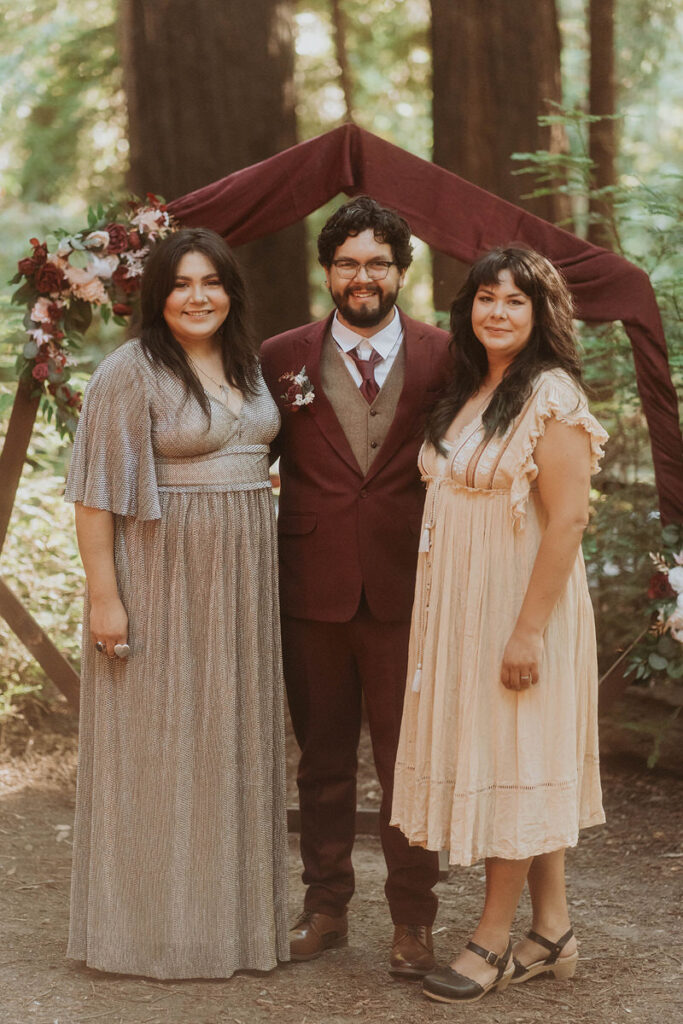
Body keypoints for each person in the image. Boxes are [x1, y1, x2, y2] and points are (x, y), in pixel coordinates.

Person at [65, 228, 289, 979]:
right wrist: (107, 600)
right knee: (159, 747)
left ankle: (228, 930)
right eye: (181, 284)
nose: (198, 297)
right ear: (157, 296)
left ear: (231, 291)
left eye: (212, 283)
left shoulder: (249, 365)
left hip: (242, 583)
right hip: (160, 574)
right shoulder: (130, 372)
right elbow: (95, 501)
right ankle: (149, 933)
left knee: (230, 741)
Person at [391, 245, 608, 1004]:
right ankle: (551, 931)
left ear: (540, 313)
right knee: (518, 756)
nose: (497, 312)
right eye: (486, 298)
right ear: (467, 308)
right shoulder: (470, 388)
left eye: (515, 301)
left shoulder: (550, 394)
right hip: (464, 607)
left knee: (509, 758)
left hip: (522, 606)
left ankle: (489, 936)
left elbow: (570, 516)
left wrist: (524, 632)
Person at [260, 196, 451, 977]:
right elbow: (244, 457)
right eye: (346, 262)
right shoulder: (280, 356)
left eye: (377, 262)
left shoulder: (447, 354)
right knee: (323, 759)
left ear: (401, 271)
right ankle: (325, 907)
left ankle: (412, 922)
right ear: (327, 270)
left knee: (411, 759)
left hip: (412, 587)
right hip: (311, 588)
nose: (362, 276)